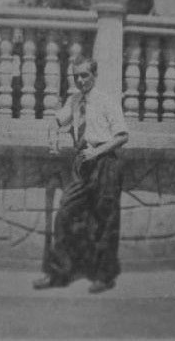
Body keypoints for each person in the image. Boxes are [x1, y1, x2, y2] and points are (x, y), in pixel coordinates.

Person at [33, 55, 129, 294]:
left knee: (106, 220)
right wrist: (53, 134)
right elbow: (57, 120)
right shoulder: (74, 100)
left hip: (105, 162)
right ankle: (59, 273)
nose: (80, 80)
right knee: (65, 212)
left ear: (94, 75)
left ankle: (104, 276)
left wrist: (96, 152)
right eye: (76, 76)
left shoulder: (107, 101)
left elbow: (122, 136)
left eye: (85, 75)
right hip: (82, 164)